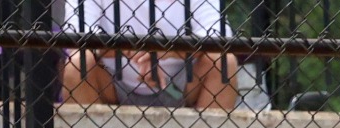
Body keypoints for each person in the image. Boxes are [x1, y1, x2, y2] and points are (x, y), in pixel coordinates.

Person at [62, 0, 240, 111]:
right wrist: (128, 47)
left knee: (223, 62)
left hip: (181, 83)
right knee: (78, 64)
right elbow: (76, 36)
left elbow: (219, 35)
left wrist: (166, 49)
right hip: (112, 83)